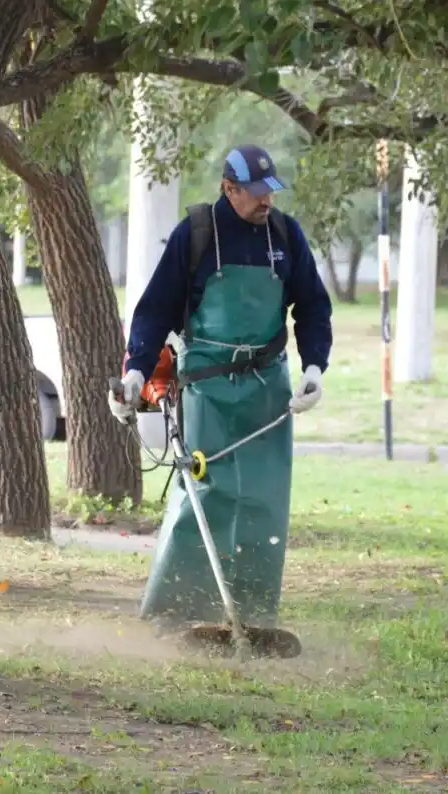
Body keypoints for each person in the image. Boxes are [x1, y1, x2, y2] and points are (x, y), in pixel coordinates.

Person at [109, 144, 333, 633]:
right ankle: (178, 613)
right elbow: (154, 310)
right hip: (207, 384)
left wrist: (314, 367)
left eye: (270, 192)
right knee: (206, 494)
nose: (265, 201)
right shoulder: (195, 234)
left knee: (264, 499)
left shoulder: (286, 235)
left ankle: (253, 615)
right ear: (229, 189)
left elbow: (313, 307)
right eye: (255, 193)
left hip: (268, 385)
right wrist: (136, 371)